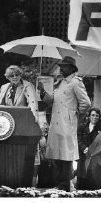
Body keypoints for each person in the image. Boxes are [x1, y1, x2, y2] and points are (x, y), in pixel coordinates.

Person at [38, 56, 91, 191]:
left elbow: (86, 103)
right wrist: (43, 91)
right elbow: (51, 101)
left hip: (67, 125)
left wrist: (75, 116)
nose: (61, 69)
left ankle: (64, 186)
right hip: (56, 125)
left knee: (66, 157)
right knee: (56, 155)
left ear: (71, 68)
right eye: (60, 66)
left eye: (64, 66)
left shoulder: (75, 82)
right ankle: (59, 184)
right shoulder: (60, 83)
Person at [0, 65, 43, 186]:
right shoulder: (4, 87)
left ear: (20, 75)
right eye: (11, 75)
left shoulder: (27, 86)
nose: (14, 77)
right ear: (8, 77)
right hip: (6, 128)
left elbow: (33, 105)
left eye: (17, 75)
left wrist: (36, 122)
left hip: (23, 127)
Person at [77, 107, 101, 190]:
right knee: (82, 179)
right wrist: (84, 148)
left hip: (95, 157)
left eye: (97, 115)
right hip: (83, 156)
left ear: (99, 117)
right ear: (89, 116)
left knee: (93, 181)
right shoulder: (82, 127)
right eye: (93, 115)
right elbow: (78, 139)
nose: (95, 117)